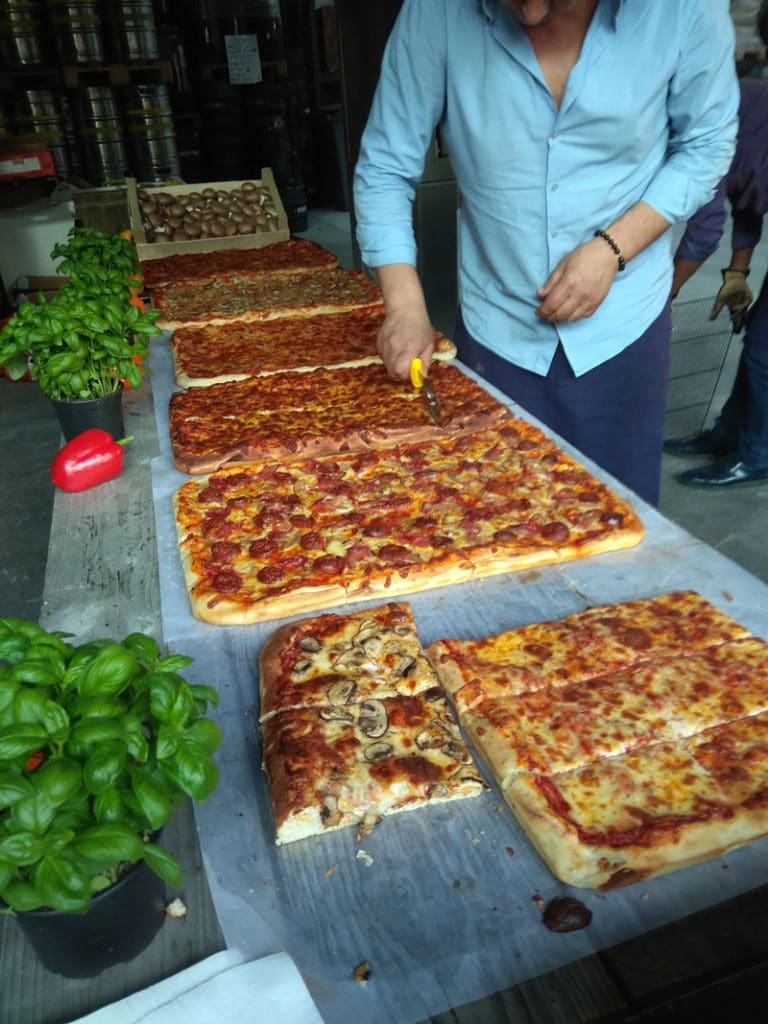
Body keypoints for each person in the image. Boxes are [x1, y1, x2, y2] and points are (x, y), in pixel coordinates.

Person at [353, 0, 739, 506]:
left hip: (622, 328)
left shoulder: (683, 10)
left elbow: (707, 144)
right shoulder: (436, 12)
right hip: (497, 329)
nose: (529, 7)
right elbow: (384, 167)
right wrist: (404, 306)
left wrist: (614, 249)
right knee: (492, 518)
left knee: (619, 521)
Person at [664, 76, 768, 487]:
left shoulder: (698, 119)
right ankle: (729, 435)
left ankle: (758, 456)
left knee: (764, 349)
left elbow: (706, 229)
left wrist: (666, 294)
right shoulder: (740, 99)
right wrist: (737, 273)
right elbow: (748, 193)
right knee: (757, 339)